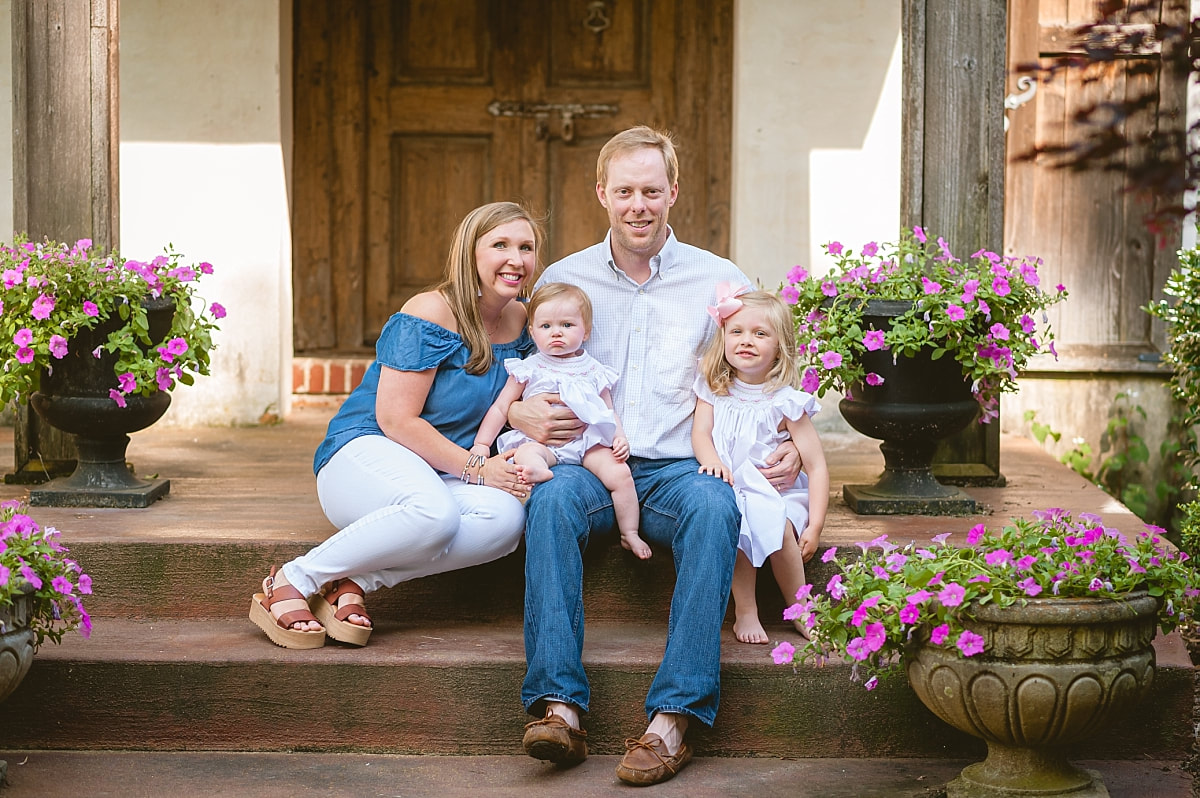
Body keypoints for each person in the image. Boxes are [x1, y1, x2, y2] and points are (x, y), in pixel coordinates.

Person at [507, 126, 801, 785]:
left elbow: (759, 355)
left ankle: (672, 721)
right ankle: (560, 711)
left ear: (673, 192)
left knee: (716, 506)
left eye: (651, 190)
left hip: (677, 469)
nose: (638, 204)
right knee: (549, 503)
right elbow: (524, 368)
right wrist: (520, 414)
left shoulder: (717, 279)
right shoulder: (564, 278)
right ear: (602, 194)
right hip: (587, 465)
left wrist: (784, 439)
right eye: (624, 191)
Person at [249, 201, 539, 650]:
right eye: (500, 244)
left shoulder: (521, 320)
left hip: (440, 470)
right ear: (470, 254)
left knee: (505, 522)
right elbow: (395, 419)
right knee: (434, 514)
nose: (516, 259)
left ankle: (353, 579)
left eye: (527, 247)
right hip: (365, 453)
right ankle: (292, 579)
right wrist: (479, 471)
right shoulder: (431, 311)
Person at [691, 287, 829, 645]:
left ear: (780, 346)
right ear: (722, 338)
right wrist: (713, 463)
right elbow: (701, 433)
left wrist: (814, 525)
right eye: (736, 332)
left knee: (778, 526)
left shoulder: (785, 402)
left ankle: (801, 608)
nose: (746, 341)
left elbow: (816, 466)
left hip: (775, 491)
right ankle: (746, 610)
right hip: (730, 484)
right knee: (734, 522)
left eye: (760, 333)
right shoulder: (714, 389)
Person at [474, 282, 650, 559]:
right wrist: (483, 444)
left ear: (586, 331)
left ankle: (629, 533)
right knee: (527, 454)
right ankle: (538, 472)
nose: (556, 332)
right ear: (532, 332)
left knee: (621, 474)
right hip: (543, 444)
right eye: (546, 326)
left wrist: (619, 436)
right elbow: (500, 408)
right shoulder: (529, 368)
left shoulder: (594, 369)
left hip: (587, 444)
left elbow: (607, 409)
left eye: (567, 325)